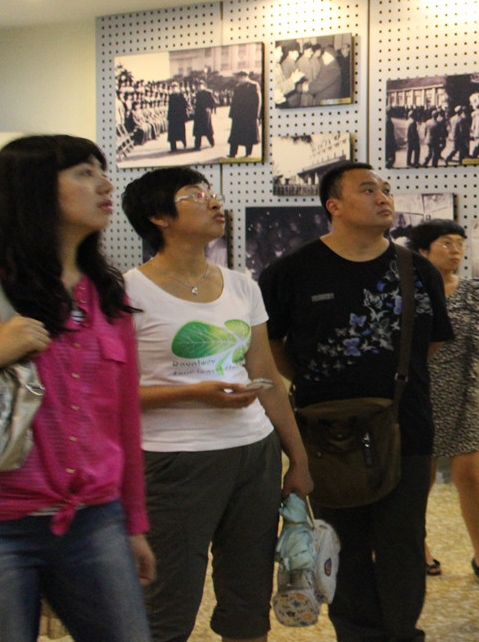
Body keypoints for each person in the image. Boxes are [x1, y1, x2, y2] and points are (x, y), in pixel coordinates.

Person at [259, 162, 452, 642]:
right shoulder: (292, 272)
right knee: (341, 542)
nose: (383, 197)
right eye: (368, 190)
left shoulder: (417, 269)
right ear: (335, 206)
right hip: (326, 432)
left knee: (404, 542)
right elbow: (270, 346)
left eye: (386, 189)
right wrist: (322, 378)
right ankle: (357, 634)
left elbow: (430, 343)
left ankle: (402, 632)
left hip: (406, 425)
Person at [120, 167, 314, 642]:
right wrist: (192, 392)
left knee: (248, 600)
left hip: (254, 452)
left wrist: (298, 458)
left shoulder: (242, 285)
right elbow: (111, 394)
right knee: (167, 603)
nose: (214, 201)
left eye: (211, 193)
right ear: (159, 217)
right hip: (174, 460)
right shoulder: (127, 293)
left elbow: (266, 379)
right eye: (194, 195)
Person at [0, 135, 155, 642]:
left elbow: (124, 418)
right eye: (84, 173)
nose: (106, 185)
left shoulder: (105, 293)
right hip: (0, 524)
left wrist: (133, 522)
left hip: (93, 518)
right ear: (34, 189)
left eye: (102, 171)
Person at [406, 219, 479, 585]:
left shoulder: (474, 291)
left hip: (463, 392)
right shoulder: (409, 290)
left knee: (470, 477)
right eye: (446, 243)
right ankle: (419, 549)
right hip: (420, 394)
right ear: (423, 250)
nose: (456, 250)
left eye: (460, 243)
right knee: (421, 480)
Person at [227, 71, 261, 159]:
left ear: (245, 77)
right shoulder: (237, 87)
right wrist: (232, 115)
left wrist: (256, 115)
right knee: (235, 136)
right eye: (238, 77)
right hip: (238, 116)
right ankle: (232, 153)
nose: (239, 79)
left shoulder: (253, 85)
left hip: (249, 116)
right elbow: (234, 102)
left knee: (249, 135)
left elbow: (257, 101)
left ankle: (248, 153)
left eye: (240, 77)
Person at [191, 81, 217, 150]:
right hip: (198, 114)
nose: (199, 87)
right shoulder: (197, 94)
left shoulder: (208, 93)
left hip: (205, 114)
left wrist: (209, 108)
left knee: (207, 129)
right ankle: (197, 145)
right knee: (198, 131)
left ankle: (212, 142)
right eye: (198, 86)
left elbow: (213, 101)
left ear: (204, 86)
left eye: (200, 85)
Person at [166, 82, 189, 152]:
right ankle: (173, 147)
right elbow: (170, 107)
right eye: (173, 87)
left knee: (181, 131)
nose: (174, 89)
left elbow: (185, 105)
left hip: (180, 117)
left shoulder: (181, 95)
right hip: (172, 117)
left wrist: (184, 115)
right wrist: (169, 116)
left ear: (178, 88)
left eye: (175, 87)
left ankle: (184, 142)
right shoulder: (171, 96)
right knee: (172, 132)